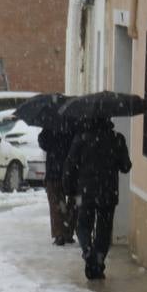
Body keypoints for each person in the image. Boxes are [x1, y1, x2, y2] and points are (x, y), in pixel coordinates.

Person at [62, 117, 131, 280]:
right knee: (104, 230)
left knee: (82, 225)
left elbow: (69, 165)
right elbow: (126, 166)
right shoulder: (116, 139)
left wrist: (69, 188)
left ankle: (87, 250)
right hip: (108, 193)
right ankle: (98, 262)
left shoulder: (81, 138)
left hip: (85, 193)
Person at [37, 122, 76, 246]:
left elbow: (43, 143)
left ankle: (59, 234)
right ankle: (68, 232)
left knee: (56, 203)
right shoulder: (73, 122)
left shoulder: (50, 124)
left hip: (54, 171)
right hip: (70, 171)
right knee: (72, 203)